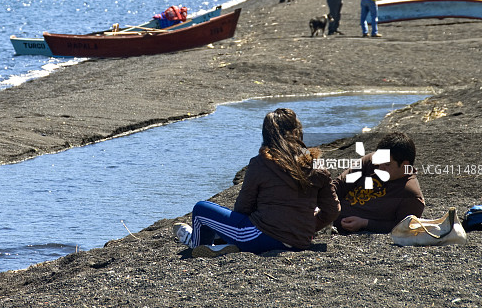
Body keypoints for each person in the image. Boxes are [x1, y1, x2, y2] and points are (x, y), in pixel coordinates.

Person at [172, 108, 340, 257]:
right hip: (300, 241)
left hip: (260, 238)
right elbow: (333, 210)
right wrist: (305, 227)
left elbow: (243, 207)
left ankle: (195, 242)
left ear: (267, 134)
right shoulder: (317, 166)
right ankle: (221, 242)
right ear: (298, 131)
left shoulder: (260, 163)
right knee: (229, 226)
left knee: (201, 209)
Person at [333, 131, 424, 234]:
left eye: (387, 164)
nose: (380, 168)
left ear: (404, 165)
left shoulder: (411, 195)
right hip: (325, 214)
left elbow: (404, 227)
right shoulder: (371, 161)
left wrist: (365, 223)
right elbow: (339, 184)